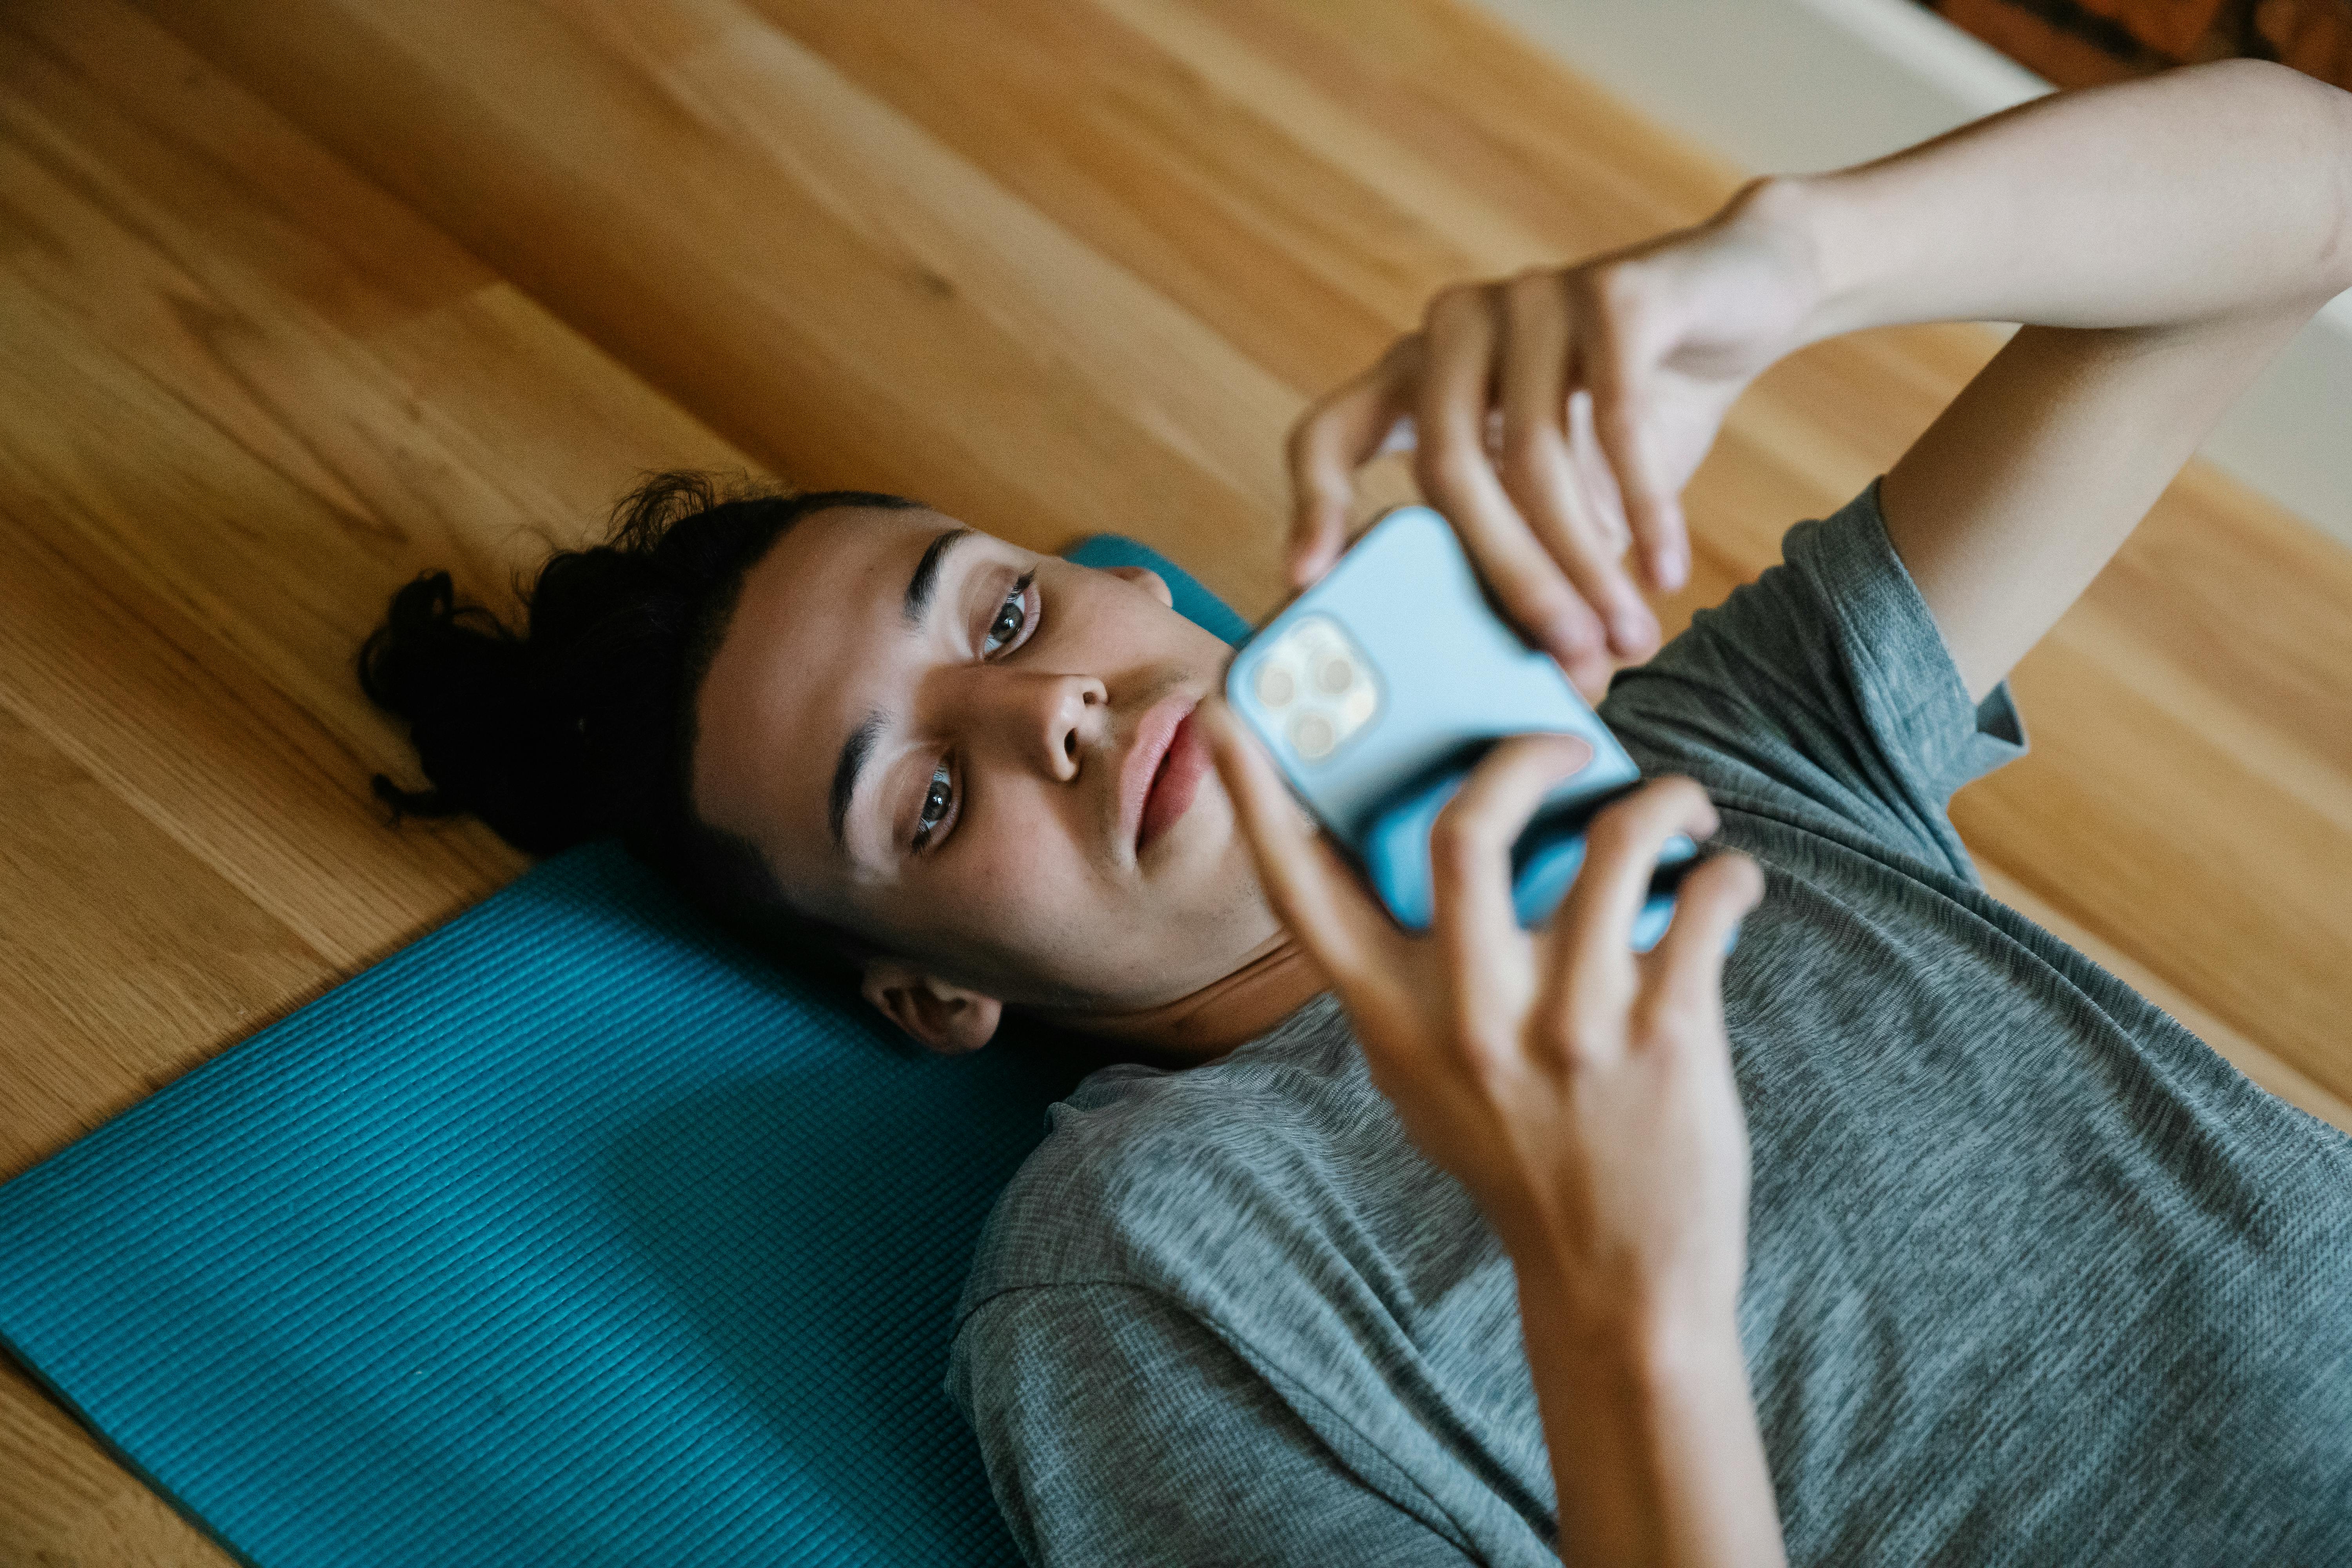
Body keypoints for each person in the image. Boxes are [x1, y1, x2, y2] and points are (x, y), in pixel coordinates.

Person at [361, 60, 2352, 1566]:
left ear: (1132, 591)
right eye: (935, 790)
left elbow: (2308, 191)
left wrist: (1787, 263)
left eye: (1006, 610)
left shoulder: (1696, 765)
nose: (1051, 707)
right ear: (926, 997)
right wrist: (1625, 1302)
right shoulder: (1148, 1274)